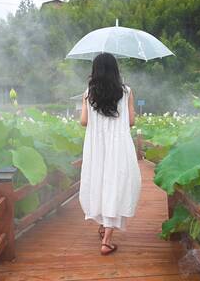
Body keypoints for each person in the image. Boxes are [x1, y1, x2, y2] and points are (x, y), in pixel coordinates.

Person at [78, 53, 142, 256]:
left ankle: (103, 226)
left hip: (97, 145)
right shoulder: (126, 91)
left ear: (95, 70)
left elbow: (83, 121)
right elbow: (131, 121)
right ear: (115, 70)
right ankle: (106, 240)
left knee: (98, 181)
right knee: (117, 184)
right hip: (118, 144)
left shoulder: (88, 93)